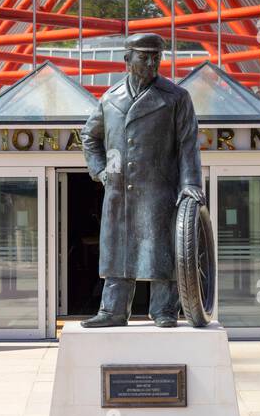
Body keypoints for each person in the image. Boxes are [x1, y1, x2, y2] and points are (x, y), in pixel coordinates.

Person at [79, 32, 204, 327]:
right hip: (119, 191)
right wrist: (99, 171)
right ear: (127, 59)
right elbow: (89, 136)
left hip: (158, 188)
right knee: (117, 252)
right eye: (144, 56)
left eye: (156, 56)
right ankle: (113, 310)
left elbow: (188, 143)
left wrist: (190, 184)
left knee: (160, 251)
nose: (151, 62)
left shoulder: (176, 97)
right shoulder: (110, 99)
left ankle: (164, 310)